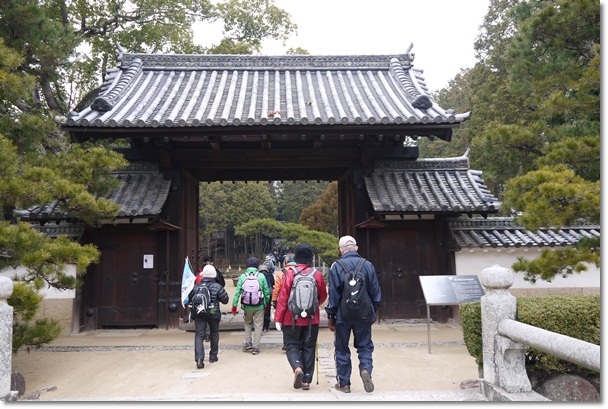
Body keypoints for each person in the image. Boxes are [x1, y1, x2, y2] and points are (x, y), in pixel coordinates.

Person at [325, 235, 381, 394]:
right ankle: (365, 369)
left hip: (343, 315)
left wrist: (331, 316)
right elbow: (375, 292)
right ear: (356, 248)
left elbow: (334, 295)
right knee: (365, 346)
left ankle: (344, 384)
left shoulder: (337, 266)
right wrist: (373, 312)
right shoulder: (367, 265)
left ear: (341, 250)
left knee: (342, 348)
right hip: (364, 314)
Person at [274, 243, 327, 391]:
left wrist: (278, 318)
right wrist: (312, 307)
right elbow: (323, 295)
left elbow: (283, 298)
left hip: (291, 318)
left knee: (292, 345)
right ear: (311, 259)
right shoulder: (316, 274)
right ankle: (306, 381)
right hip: (311, 319)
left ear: (297, 258)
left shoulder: (290, 273)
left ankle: (297, 368)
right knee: (309, 347)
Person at [188, 265, 229, 369]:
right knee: (214, 333)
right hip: (213, 313)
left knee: (199, 335)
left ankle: (199, 359)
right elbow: (225, 300)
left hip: (199, 312)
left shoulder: (196, 286)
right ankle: (213, 356)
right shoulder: (217, 286)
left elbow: (190, 299)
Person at [231, 257, 270, 355]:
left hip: (247, 305)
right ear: (257, 266)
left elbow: (237, 293)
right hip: (259, 305)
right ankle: (256, 347)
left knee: (248, 323)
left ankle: (248, 342)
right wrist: (267, 302)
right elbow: (266, 291)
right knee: (258, 325)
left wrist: (234, 306)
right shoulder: (261, 276)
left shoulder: (243, 276)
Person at [196, 256, 226, 341]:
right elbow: (222, 284)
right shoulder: (216, 272)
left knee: (201, 316)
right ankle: (209, 335)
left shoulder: (198, 272)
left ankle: (204, 334)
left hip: (200, 299)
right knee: (212, 316)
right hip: (213, 300)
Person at [272, 253, 296, 351]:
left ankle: (286, 342)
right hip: (297, 300)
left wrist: (274, 299)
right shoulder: (299, 271)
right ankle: (296, 341)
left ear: (285, 261)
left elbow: (276, 288)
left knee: (285, 322)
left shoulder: (281, 273)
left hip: (284, 300)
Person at [258, 263, 275, 332]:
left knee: (260, 311)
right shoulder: (270, 275)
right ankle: (266, 327)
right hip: (268, 294)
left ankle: (260, 326)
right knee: (267, 310)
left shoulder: (258, 275)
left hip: (260, 295)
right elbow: (273, 283)